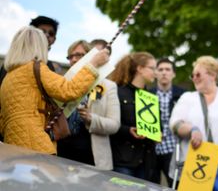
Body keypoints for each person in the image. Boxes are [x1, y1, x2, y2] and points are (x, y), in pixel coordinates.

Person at [0, 26, 109, 154]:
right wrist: (93, 65)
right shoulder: (35, 67)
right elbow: (69, 90)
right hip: (36, 145)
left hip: (12, 145)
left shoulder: (8, 77)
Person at [169, 56, 218, 176]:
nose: (194, 79)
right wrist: (192, 129)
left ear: (213, 75)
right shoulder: (187, 97)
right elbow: (175, 124)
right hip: (194, 169)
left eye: (198, 74)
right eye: (193, 76)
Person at [57, 40, 120, 170]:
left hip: (92, 158)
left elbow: (114, 125)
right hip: (61, 154)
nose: (74, 59)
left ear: (91, 56)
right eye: (70, 56)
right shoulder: (61, 83)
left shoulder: (108, 86)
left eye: (79, 55)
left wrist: (91, 119)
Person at [109, 52, 157, 181]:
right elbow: (110, 124)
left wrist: (157, 134)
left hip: (145, 163)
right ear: (140, 69)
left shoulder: (151, 98)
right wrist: (128, 131)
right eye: (152, 68)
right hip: (122, 161)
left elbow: (155, 127)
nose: (155, 72)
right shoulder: (118, 92)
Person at [150, 58, 185, 185]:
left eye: (167, 69)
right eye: (160, 70)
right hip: (152, 148)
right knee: (151, 185)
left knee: (175, 184)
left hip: (173, 149)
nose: (164, 73)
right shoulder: (147, 94)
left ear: (173, 74)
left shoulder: (183, 95)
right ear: (155, 73)